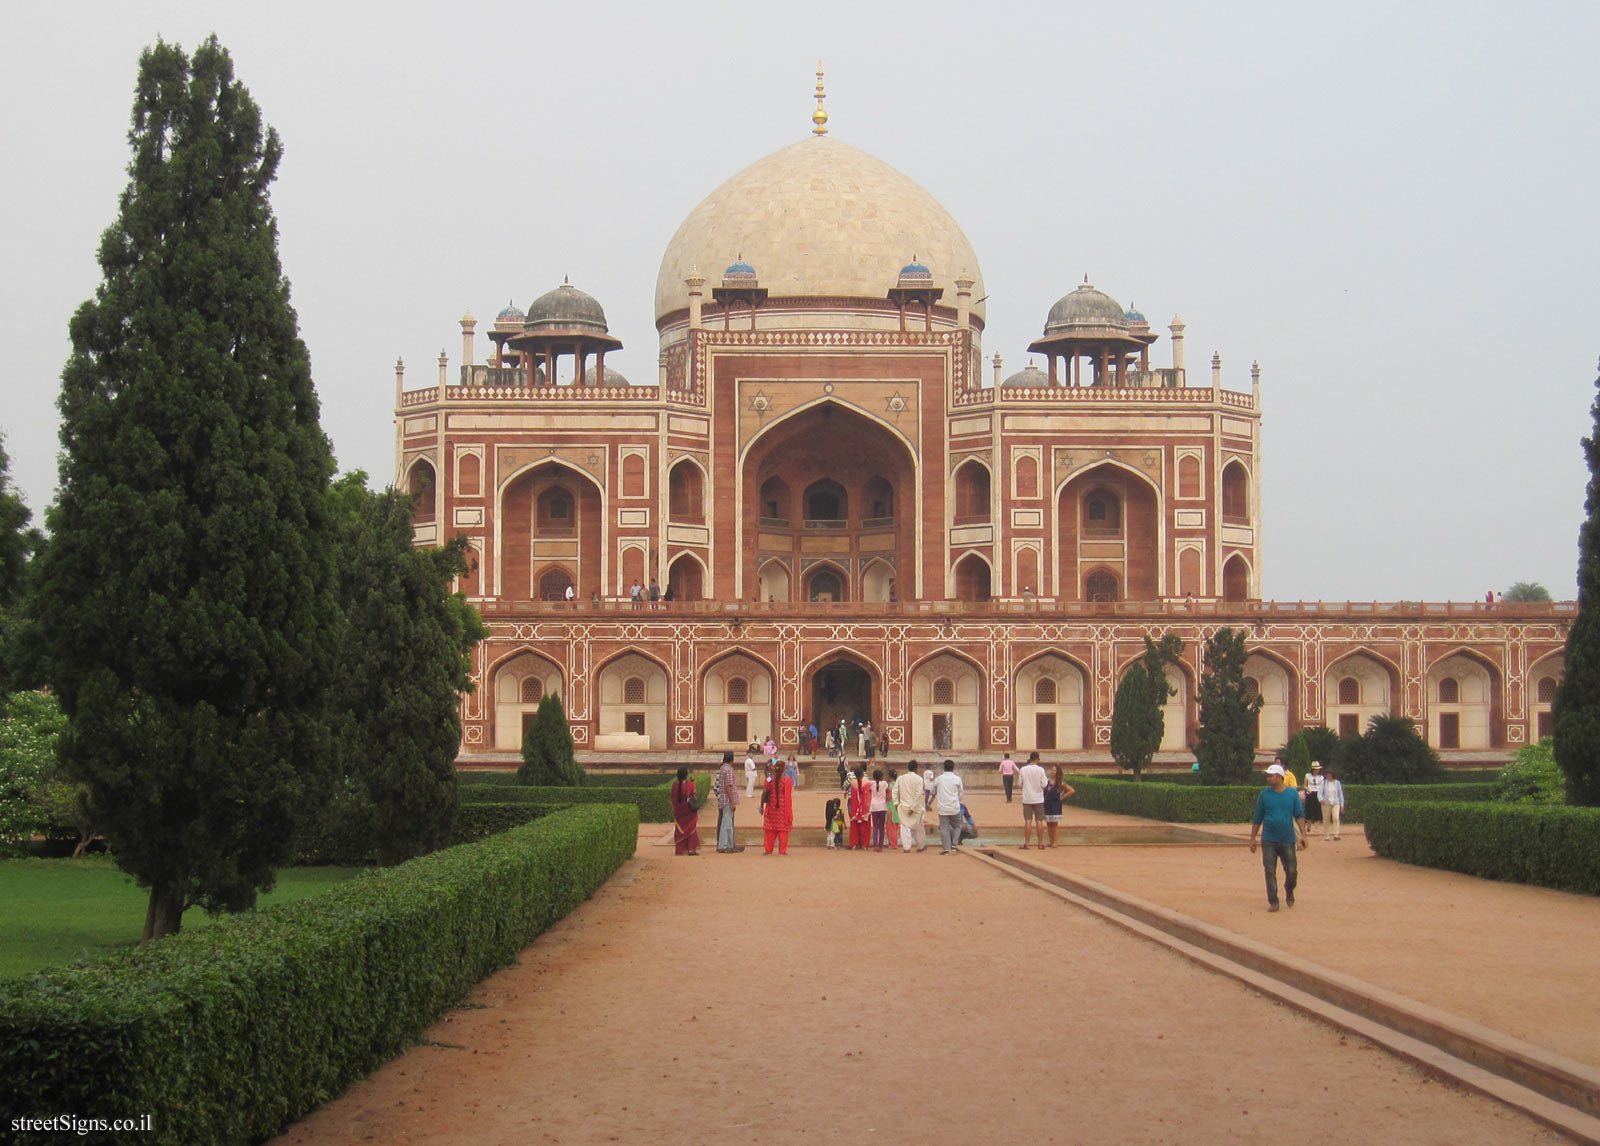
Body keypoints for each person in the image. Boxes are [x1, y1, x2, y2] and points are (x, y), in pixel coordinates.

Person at [1249, 763, 1308, 911]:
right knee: (1269, 870)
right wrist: (1252, 838)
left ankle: (1289, 889)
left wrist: (1303, 835)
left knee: (1292, 870)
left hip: (1287, 838)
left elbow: (1299, 815)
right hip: (1269, 839)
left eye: (1270, 776)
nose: (1268, 778)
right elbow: (1257, 817)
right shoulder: (1264, 795)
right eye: (1267, 776)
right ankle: (1273, 901)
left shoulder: (1292, 794)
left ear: (1280, 777)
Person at [761, 754, 795, 855]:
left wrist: (761, 805)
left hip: (771, 807)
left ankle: (768, 849)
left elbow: (764, 792)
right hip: (783, 808)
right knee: (783, 831)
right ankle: (782, 850)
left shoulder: (769, 779)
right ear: (784, 769)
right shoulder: (787, 781)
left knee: (770, 830)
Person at [1017, 751, 1049, 849]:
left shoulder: (1023, 769)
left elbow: (1019, 784)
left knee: (1027, 821)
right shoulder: (1041, 770)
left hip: (1027, 798)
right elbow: (1044, 784)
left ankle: (1027, 843)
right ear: (1037, 759)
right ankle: (1040, 843)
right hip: (1039, 798)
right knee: (1039, 821)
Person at [932, 760, 965, 854]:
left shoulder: (938, 779)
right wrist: (957, 800)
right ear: (953, 767)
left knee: (944, 827)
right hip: (955, 807)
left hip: (943, 808)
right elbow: (961, 793)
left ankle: (946, 849)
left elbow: (932, 791)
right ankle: (954, 845)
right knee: (958, 825)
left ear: (944, 767)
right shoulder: (957, 779)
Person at [895, 760, 927, 852]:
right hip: (916, 807)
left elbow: (895, 791)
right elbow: (918, 795)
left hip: (904, 806)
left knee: (904, 827)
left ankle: (906, 848)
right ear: (916, 769)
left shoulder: (901, 778)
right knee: (919, 827)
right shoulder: (919, 779)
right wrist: (913, 808)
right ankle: (920, 846)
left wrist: (896, 803)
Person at [715, 751, 742, 853]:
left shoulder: (723, 768)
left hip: (723, 798)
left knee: (728, 823)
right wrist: (732, 801)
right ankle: (722, 845)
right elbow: (728, 785)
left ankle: (730, 845)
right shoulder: (729, 769)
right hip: (727, 799)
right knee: (726, 823)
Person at [670, 768, 700, 856]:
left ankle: (680, 850)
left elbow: (673, 799)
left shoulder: (675, 785)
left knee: (680, 829)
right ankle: (691, 849)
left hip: (679, 811)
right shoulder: (690, 784)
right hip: (689, 811)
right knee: (691, 828)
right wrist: (692, 782)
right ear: (686, 775)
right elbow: (694, 794)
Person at [1042, 766, 1075, 846]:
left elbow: (1072, 790)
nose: (1053, 772)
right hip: (1047, 804)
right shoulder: (1047, 781)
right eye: (1052, 770)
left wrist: (1062, 797)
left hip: (1055, 804)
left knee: (1054, 823)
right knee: (1048, 823)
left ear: (1058, 772)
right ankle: (1051, 841)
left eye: (1054, 770)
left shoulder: (1061, 783)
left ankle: (1055, 842)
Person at [848, 767, 872, 850]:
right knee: (865, 827)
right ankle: (864, 845)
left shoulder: (853, 783)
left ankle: (854, 844)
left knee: (854, 827)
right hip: (865, 807)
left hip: (855, 807)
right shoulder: (868, 783)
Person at [1321, 766, 1345, 840]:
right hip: (1326, 803)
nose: (1327, 775)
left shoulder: (1337, 783)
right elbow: (1319, 793)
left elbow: (1340, 794)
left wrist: (1342, 804)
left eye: (1329, 774)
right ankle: (1327, 835)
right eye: (1327, 774)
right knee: (1326, 819)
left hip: (1335, 802)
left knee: (1336, 817)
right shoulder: (1324, 782)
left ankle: (1336, 834)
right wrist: (1321, 799)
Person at [869, 768, 890, 851]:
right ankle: (880, 845)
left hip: (874, 806)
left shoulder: (871, 783)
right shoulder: (884, 783)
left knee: (875, 826)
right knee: (881, 827)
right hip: (882, 806)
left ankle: (875, 844)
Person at [1303, 760, 1325, 828]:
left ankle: (1316, 824)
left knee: (1318, 809)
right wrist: (1307, 789)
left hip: (1318, 794)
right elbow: (1304, 785)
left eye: (1317, 769)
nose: (1316, 771)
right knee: (1309, 809)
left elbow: (1323, 787)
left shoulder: (1321, 777)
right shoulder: (1307, 776)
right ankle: (1308, 824)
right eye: (1314, 769)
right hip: (1310, 793)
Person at [884, 768, 901, 848]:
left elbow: (890, 797)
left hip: (891, 806)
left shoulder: (890, 785)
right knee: (895, 826)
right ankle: (892, 842)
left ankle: (893, 843)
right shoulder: (898, 784)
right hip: (897, 807)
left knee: (890, 827)